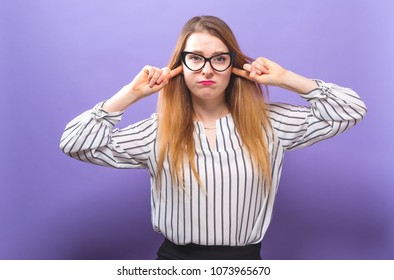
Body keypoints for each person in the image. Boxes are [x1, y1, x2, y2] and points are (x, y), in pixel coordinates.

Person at [59, 15, 367, 260]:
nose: (208, 70)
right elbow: (75, 143)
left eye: (219, 59)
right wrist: (131, 93)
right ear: (180, 66)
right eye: (196, 58)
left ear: (233, 65)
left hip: (245, 265)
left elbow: (351, 109)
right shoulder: (158, 131)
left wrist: (285, 78)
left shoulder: (270, 123)